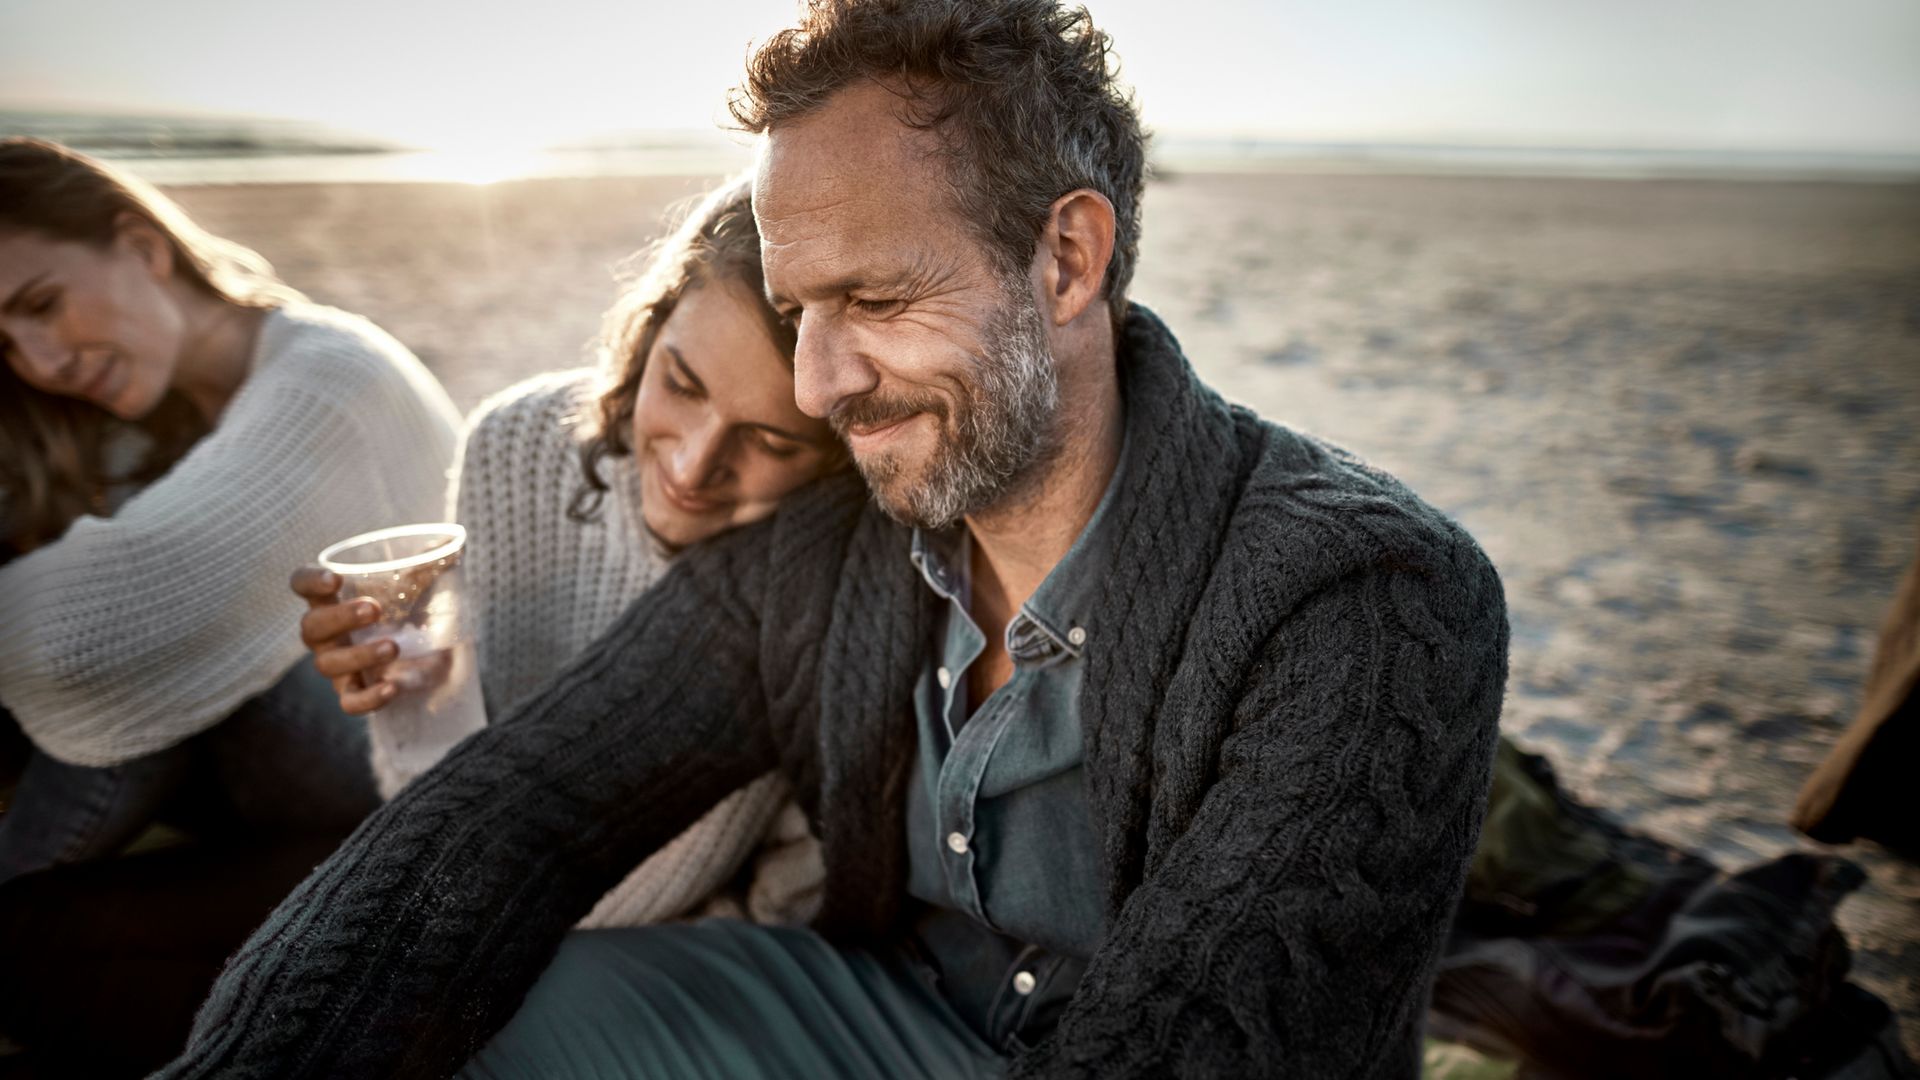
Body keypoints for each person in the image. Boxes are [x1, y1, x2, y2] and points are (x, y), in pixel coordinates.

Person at [158, 2, 1510, 1077]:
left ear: (1067, 258)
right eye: (801, 307)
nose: (815, 385)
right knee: (468, 994)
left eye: (871, 297)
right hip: (852, 1022)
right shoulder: (835, 544)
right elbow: (524, 808)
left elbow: (1209, 1043)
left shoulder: (1367, 599)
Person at [295, 175, 841, 927]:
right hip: (489, 900)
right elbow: (432, 795)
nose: (691, 467)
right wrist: (410, 695)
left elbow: (797, 896)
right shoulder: (519, 445)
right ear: (648, 336)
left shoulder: (827, 568)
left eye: (770, 440)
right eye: (680, 384)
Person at [0, 137, 461, 880]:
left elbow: (70, 633)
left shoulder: (331, 376)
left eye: (44, 305)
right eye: (8, 344)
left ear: (144, 248)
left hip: (416, 764)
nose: (42, 363)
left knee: (144, 643)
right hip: (278, 773)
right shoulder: (145, 418)